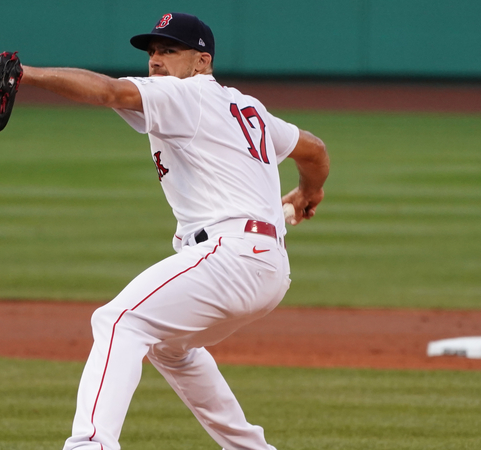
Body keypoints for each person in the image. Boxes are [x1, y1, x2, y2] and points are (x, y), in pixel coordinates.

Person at [21, 12, 329, 450]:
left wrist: (24, 74)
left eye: (169, 50)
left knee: (119, 320)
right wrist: (307, 191)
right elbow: (314, 149)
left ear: (202, 61)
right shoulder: (247, 108)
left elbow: (108, 91)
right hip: (268, 267)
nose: (156, 61)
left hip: (229, 256)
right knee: (171, 349)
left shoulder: (186, 96)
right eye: (152, 52)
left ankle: (90, 445)